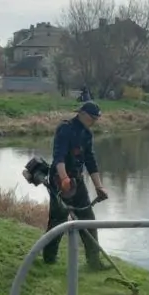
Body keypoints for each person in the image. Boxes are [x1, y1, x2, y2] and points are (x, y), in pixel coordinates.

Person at [43, 100, 108, 269]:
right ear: (83, 114)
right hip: (60, 179)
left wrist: (99, 186)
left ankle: (94, 262)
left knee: (88, 220)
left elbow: (90, 161)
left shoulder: (87, 134)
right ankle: (49, 259)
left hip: (77, 181)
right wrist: (64, 179)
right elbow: (59, 157)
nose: (94, 122)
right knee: (58, 220)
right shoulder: (66, 129)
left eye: (96, 119)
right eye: (92, 118)